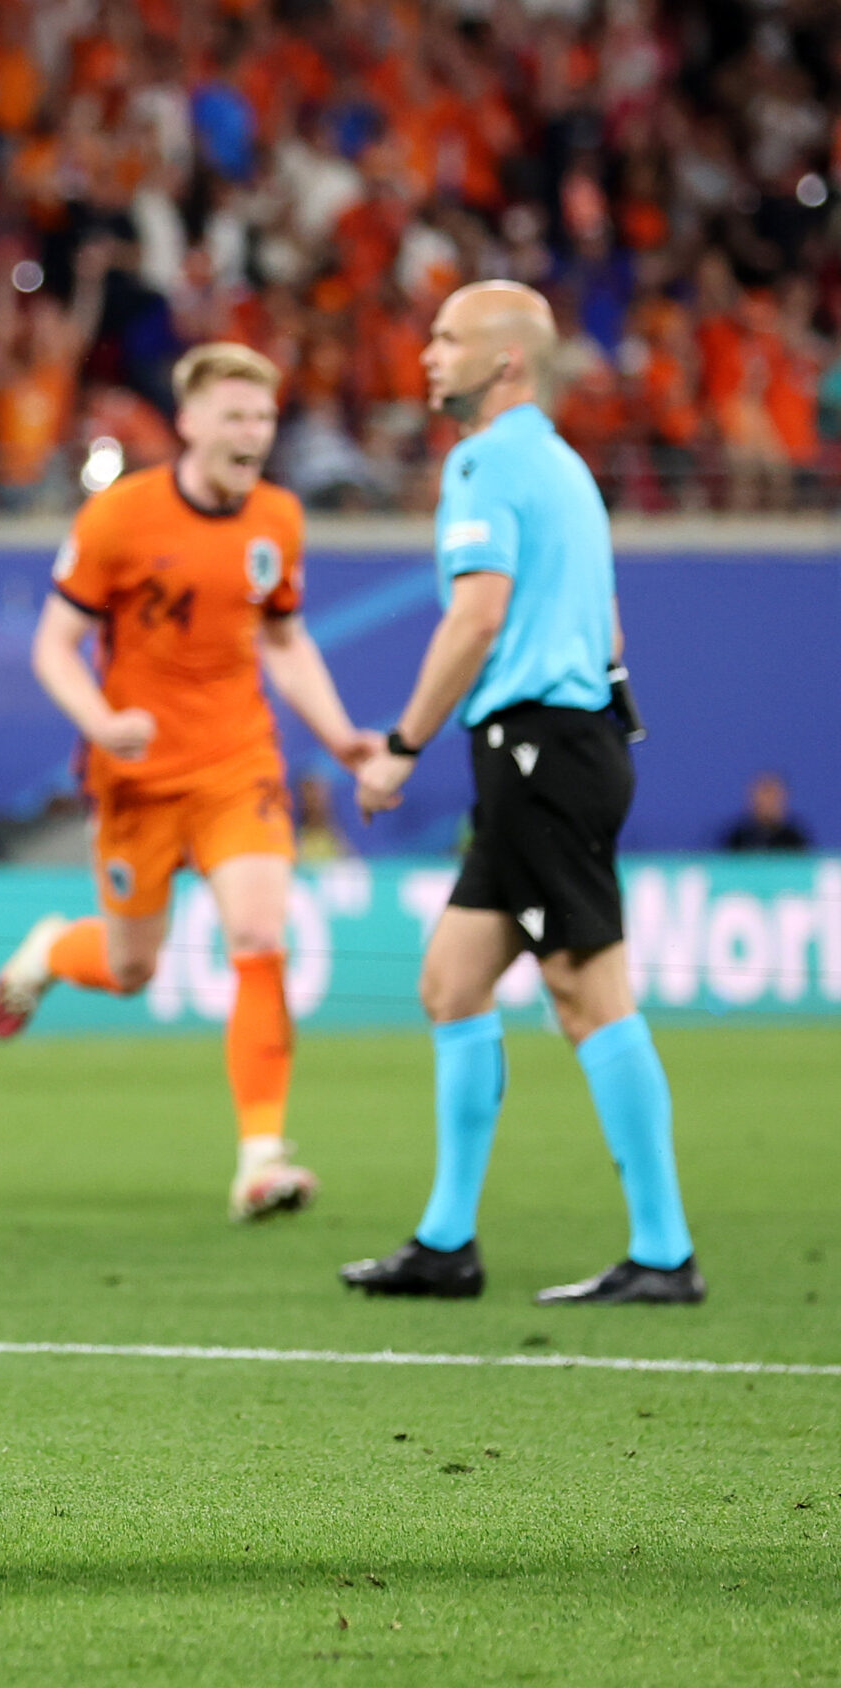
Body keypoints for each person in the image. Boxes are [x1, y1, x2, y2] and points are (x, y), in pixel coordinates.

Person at [341, 281, 701, 1307]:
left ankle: (665, 1252)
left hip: (541, 745)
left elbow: (475, 617)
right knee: (452, 979)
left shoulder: (486, 461)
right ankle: (446, 1242)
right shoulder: (563, 469)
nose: (424, 353)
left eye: (446, 339)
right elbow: (610, 623)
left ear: (504, 362)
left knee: (588, 992)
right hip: (555, 746)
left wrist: (402, 745)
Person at [0, 343, 380, 1222]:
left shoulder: (278, 518)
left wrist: (342, 735)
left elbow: (284, 639)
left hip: (240, 762)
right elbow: (53, 644)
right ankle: (51, 950)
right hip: (135, 776)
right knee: (131, 969)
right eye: (236, 416)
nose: (253, 434)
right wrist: (100, 724)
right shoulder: (120, 517)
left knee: (256, 931)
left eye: (264, 418)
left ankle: (262, 1159)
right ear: (192, 422)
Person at [723, 771, 811, 851]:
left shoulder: (795, 841)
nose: (767, 802)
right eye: (763, 796)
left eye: (773, 796)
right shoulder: (737, 839)